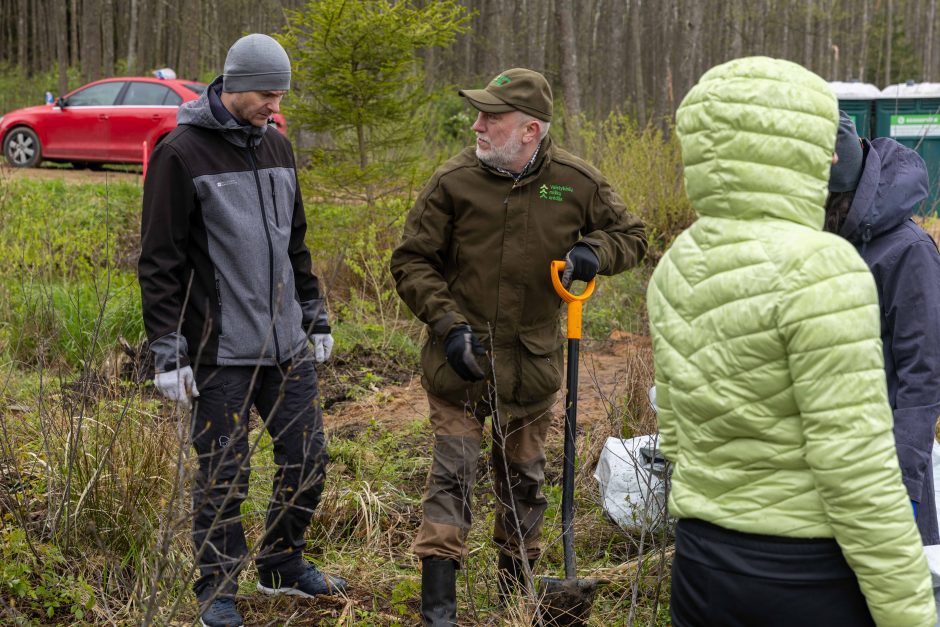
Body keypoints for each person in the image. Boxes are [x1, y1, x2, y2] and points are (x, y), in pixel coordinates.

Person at [647, 56, 935, 626]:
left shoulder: (678, 261)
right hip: (802, 571)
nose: (831, 155)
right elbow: (855, 470)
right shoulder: (823, 267)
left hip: (702, 563)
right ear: (792, 146)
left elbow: (675, 433)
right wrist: (909, 611)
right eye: (820, 137)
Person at [390, 67, 646, 625]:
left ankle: (516, 600)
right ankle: (439, 612)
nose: (478, 125)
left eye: (492, 117)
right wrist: (448, 325)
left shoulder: (575, 182)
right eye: (478, 114)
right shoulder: (453, 181)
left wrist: (594, 253)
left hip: (530, 370)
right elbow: (411, 260)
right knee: (452, 476)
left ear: (530, 130)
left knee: (524, 480)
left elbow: (633, 236)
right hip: (459, 363)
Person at [138, 34, 346, 627]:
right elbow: (160, 263)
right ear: (232, 83)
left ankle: (281, 564)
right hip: (218, 352)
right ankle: (217, 589)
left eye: (280, 94)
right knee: (226, 477)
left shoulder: (278, 146)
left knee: (308, 458)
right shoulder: (181, 154)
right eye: (264, 93)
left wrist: (314, 312)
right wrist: (168, 353)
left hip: (285, 347)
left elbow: (295, 242)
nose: (273, 105)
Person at [825, 111, 940, 545]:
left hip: (883, 465)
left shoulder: (906, 253)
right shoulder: (823, 244)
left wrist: (904, 479)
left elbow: (924, 374)